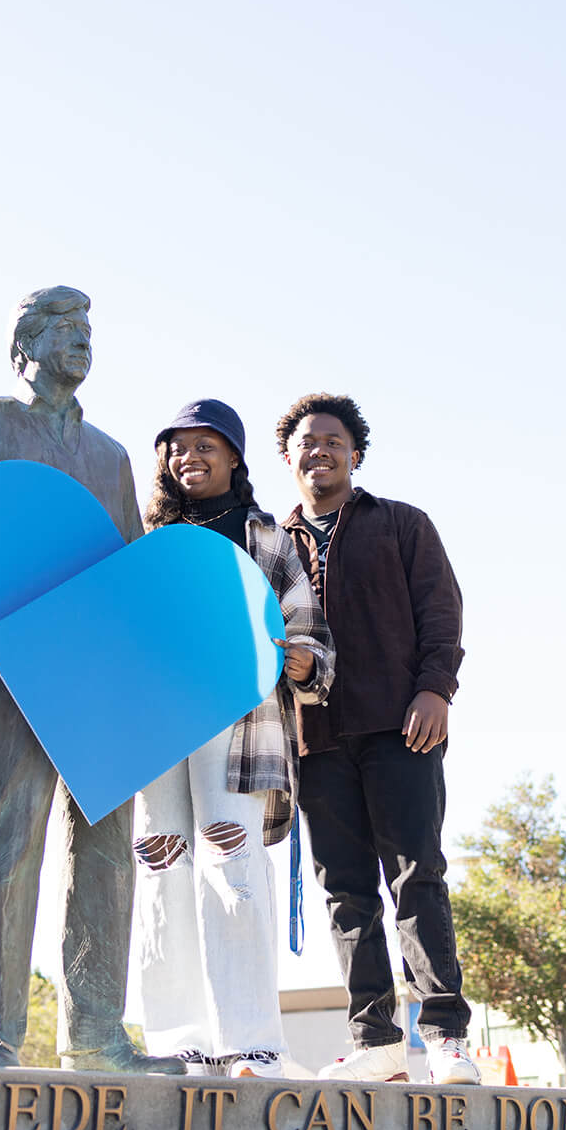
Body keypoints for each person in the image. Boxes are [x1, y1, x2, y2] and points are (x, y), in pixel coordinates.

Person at [0, 286, 183, 1073]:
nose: (79, 339)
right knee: (2, 842)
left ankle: (96, 1032)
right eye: (62, 327)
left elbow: (128, 570)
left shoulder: (112, 456)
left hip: (94, 680)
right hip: (5, 660)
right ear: (22, 347)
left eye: (87, 328)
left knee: (107, 851)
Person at [275, 393, 481, 1085]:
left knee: (417, 876)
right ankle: (377, 1042)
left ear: (355, 453)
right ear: (290, 457)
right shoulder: (272, 543)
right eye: (307, 441)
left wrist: (435, 690)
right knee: (346, 894)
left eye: (332, 440)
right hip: (317, 739)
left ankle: (446, 1034)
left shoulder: (401, 524)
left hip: (402, 728)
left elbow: (441, 611)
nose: (319, 450)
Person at [129, 399, 333, 1078]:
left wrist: (301, 659)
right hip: (156, 728)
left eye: (204, 446)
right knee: (163, 865)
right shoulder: (146, 538)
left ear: (236, 457)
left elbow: (311, 641)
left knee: (231, 862)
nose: (189, 458)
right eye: (176, 447)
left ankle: (251, 1043)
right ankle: (176, 1039)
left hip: (239, 723)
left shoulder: (267, 539)